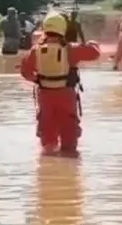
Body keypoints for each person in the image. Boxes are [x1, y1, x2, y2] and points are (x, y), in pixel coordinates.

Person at [19, 12, 101, 155]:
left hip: (44, 95)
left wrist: (38, 79)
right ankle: (68, 160)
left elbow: (25, 72)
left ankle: (48, 163)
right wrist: (91, 43)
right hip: (66, 95)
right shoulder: (71, 49)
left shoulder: (35, 51)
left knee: (47, 133)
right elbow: (95, 53)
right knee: (69, 132)